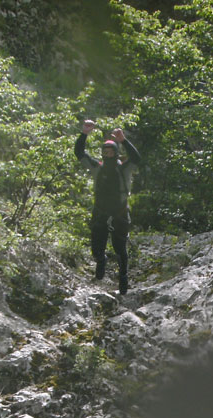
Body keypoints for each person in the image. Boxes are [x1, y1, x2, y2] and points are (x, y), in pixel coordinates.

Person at [74, 119, 141, 293]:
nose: (108, 154)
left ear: (116, 153)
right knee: (96, 248)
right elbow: (79, 152)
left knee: (120, 250)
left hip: (120, 213)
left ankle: (123, 278)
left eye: (111, 152)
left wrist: (123, 140)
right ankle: (101, 260)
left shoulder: (124, 168)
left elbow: (137, 158)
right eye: (106, 152)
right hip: (100, 213)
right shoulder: (97, 167)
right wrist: (84, 133)